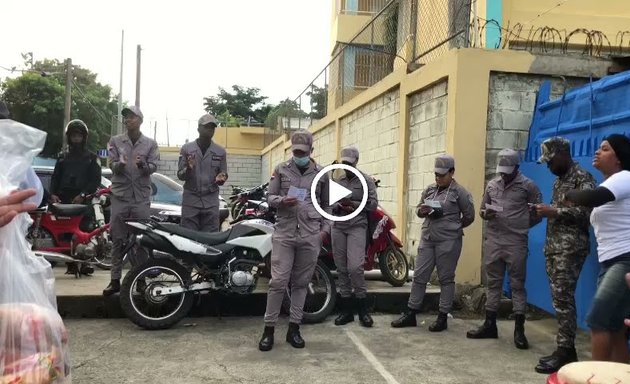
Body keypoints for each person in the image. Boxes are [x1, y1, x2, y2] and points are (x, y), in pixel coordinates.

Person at [258, 130, 330, 352]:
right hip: (285, 234)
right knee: (278, 282)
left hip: (310, 235)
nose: (298, 154)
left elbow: (328, 206)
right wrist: (282, 200)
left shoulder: (322, 174)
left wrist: (324, 231)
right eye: (295, 151)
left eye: (303, 152)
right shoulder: (281, 170)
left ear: (311, 151)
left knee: (300, 284)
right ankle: (268, 330)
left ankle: (294, 328)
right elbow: (269, 198)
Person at [467, 148, 542, 349]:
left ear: (517, 167)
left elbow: (538, 213)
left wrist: (521, 225)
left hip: (516, 241)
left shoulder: (528, 186)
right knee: (493, 284)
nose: (504, 174)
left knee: (517, 285)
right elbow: (483, 209)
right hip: (494, 240)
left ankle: (519, 329)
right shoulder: (492, 185)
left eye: (508, 170)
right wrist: (486, 214)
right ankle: (490, 324)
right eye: (502, 170)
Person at [565, 134, 630, 363]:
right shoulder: (614, 182)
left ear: (619, 158)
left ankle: (596, 376)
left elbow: (592, 197)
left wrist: (571, 194)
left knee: (598, 320)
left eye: (604, 149)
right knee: (615, 327)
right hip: (611, 260)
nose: (597, 152)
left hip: (625, 259)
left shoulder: (624, 177)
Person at [391, 154, 475, 332]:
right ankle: (411, 312)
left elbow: (469, 216)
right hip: (428, 238)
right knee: (419, 276)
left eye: (442, 175)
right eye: (436, 174)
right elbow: (419, 211)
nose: (438, 178)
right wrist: (424, 211)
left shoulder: (460, 193)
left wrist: (452, 227)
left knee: (446, 279)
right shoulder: (430, 190)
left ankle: (442, 316)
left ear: (452, 172)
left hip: (448, 241)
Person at [533, 137, 596, 374]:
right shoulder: (560, 182)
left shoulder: (582, 178)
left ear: (563, 154)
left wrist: (554, 211)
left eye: (550, 161)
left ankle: (566, 350)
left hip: (570, 248)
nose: (549, 167)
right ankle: (564, 348)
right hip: (555, 247)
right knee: (559, 300)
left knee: (563, 299)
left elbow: (587, 213)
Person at [103, 106, 159, 296]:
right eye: (126, 117)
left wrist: (144, 166)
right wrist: (120, 164)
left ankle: (141, 280)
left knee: (141, 241)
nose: (128, 120)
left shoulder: (150, 144)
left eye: (132, 117)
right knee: (117, 239)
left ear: (140, 120)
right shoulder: (115, 141)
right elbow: (111, 164)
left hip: (140, 198)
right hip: (120, 196)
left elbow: (153, 166)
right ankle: (115, 280)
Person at [331, 146, 378, 328]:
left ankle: (363, 309)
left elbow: (373, 204)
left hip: (357, 225)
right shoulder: (338, 180)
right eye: (344, 164)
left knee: (355, 267)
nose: (347, 166)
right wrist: (338, 206)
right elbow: (329, 203)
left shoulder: (366, 181)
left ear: (356, 162)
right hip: (339, 225)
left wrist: (354, 204)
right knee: (341, 268)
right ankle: (347, 311)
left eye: (350, 163)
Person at [177, 113, 228, 232]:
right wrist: (189, 169)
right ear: (198, 128)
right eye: (206, 127)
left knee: (210, 239)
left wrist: (222, 178)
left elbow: (223, 173)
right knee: (189, 239)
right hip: (191, 202)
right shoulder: (187, 149)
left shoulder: (220, 151)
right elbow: (180, 175)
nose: (210, 130)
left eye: (212, 127)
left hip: (211, 202)